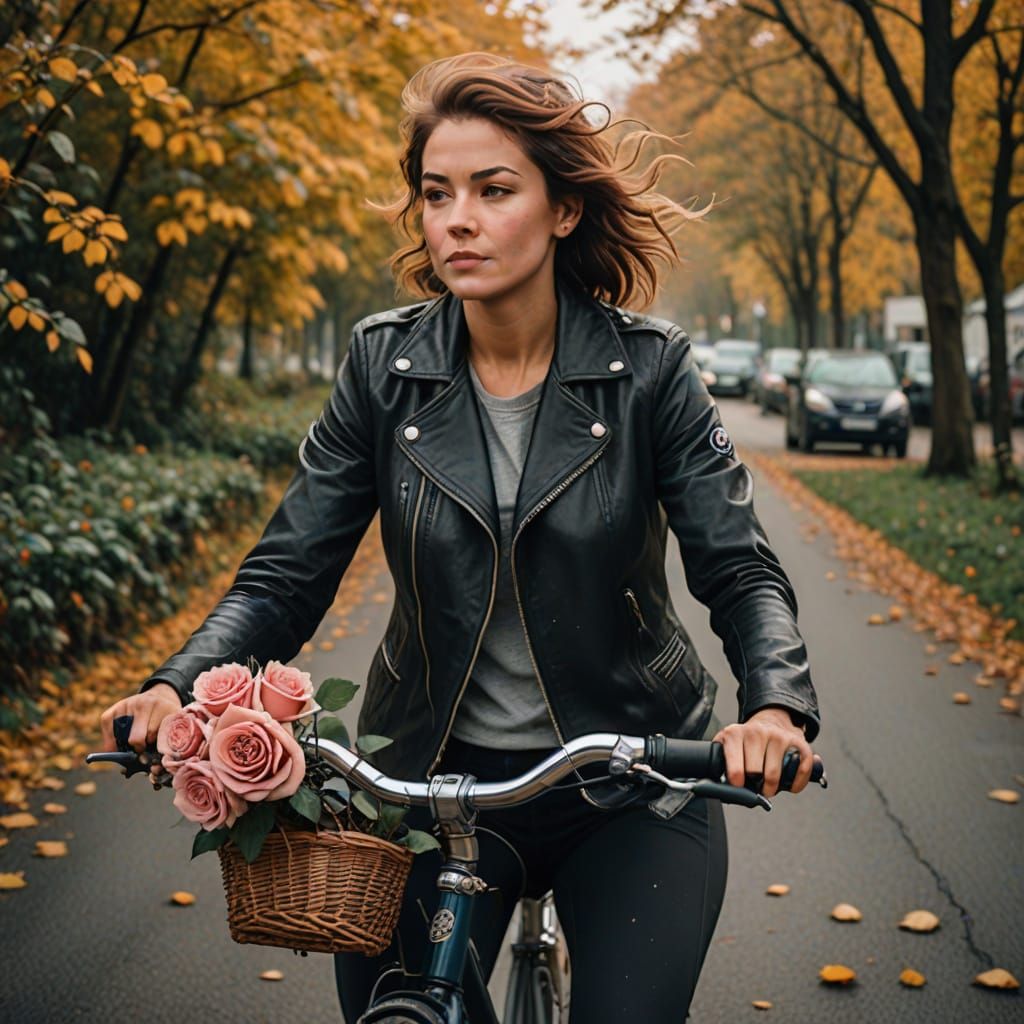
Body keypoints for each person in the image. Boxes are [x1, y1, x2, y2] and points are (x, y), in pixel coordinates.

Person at [99, 52, 820, 1022]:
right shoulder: (382, 365)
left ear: (563, 209)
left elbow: (737, 566)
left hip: (635, 778)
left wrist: (774, 708)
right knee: (399, 1011)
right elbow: (288, 569)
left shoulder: (650, 372)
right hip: (428, 777)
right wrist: (179, 680)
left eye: (493, 189)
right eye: (437, 194)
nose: (457, 219)